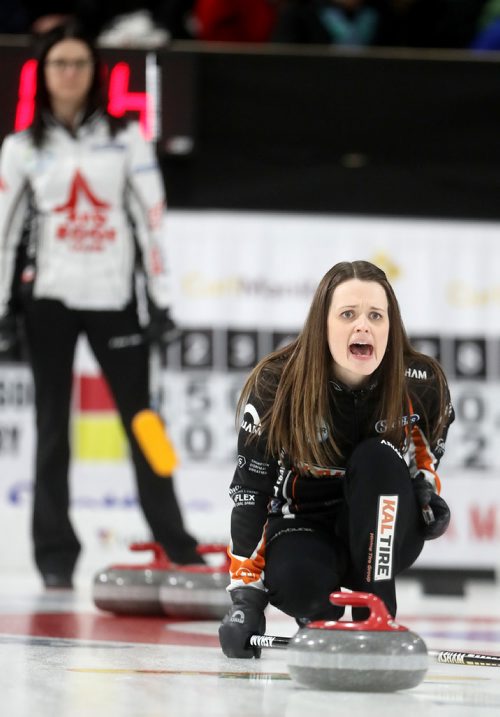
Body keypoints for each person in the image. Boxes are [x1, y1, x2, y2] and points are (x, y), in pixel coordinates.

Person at [0, 20, 202, 589]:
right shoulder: (21, 148)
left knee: (144, 421)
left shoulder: (128, 138)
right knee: (50, 428)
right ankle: (55, 557)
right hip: (49, 301)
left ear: (95, 73)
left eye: (80, 64)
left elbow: (151, 222)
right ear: (42, 74)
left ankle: (177, 542)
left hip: (115, 300)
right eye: (59, 63)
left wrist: (160, 302)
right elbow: (4, 232)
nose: (70, 74)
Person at [219, 260, 454, 658]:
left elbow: (423, 465)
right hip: (303, 524)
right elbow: (251, 494)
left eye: (375, 316)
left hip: (382, 524)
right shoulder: (276, 386)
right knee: (300, 586)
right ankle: (316, 611)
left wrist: (426, 496)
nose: (363, 326)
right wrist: (246, 601)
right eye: (348, 314)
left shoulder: (423, 382)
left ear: (390, 328)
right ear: (322, 325)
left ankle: (378, 614)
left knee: (377, 458)